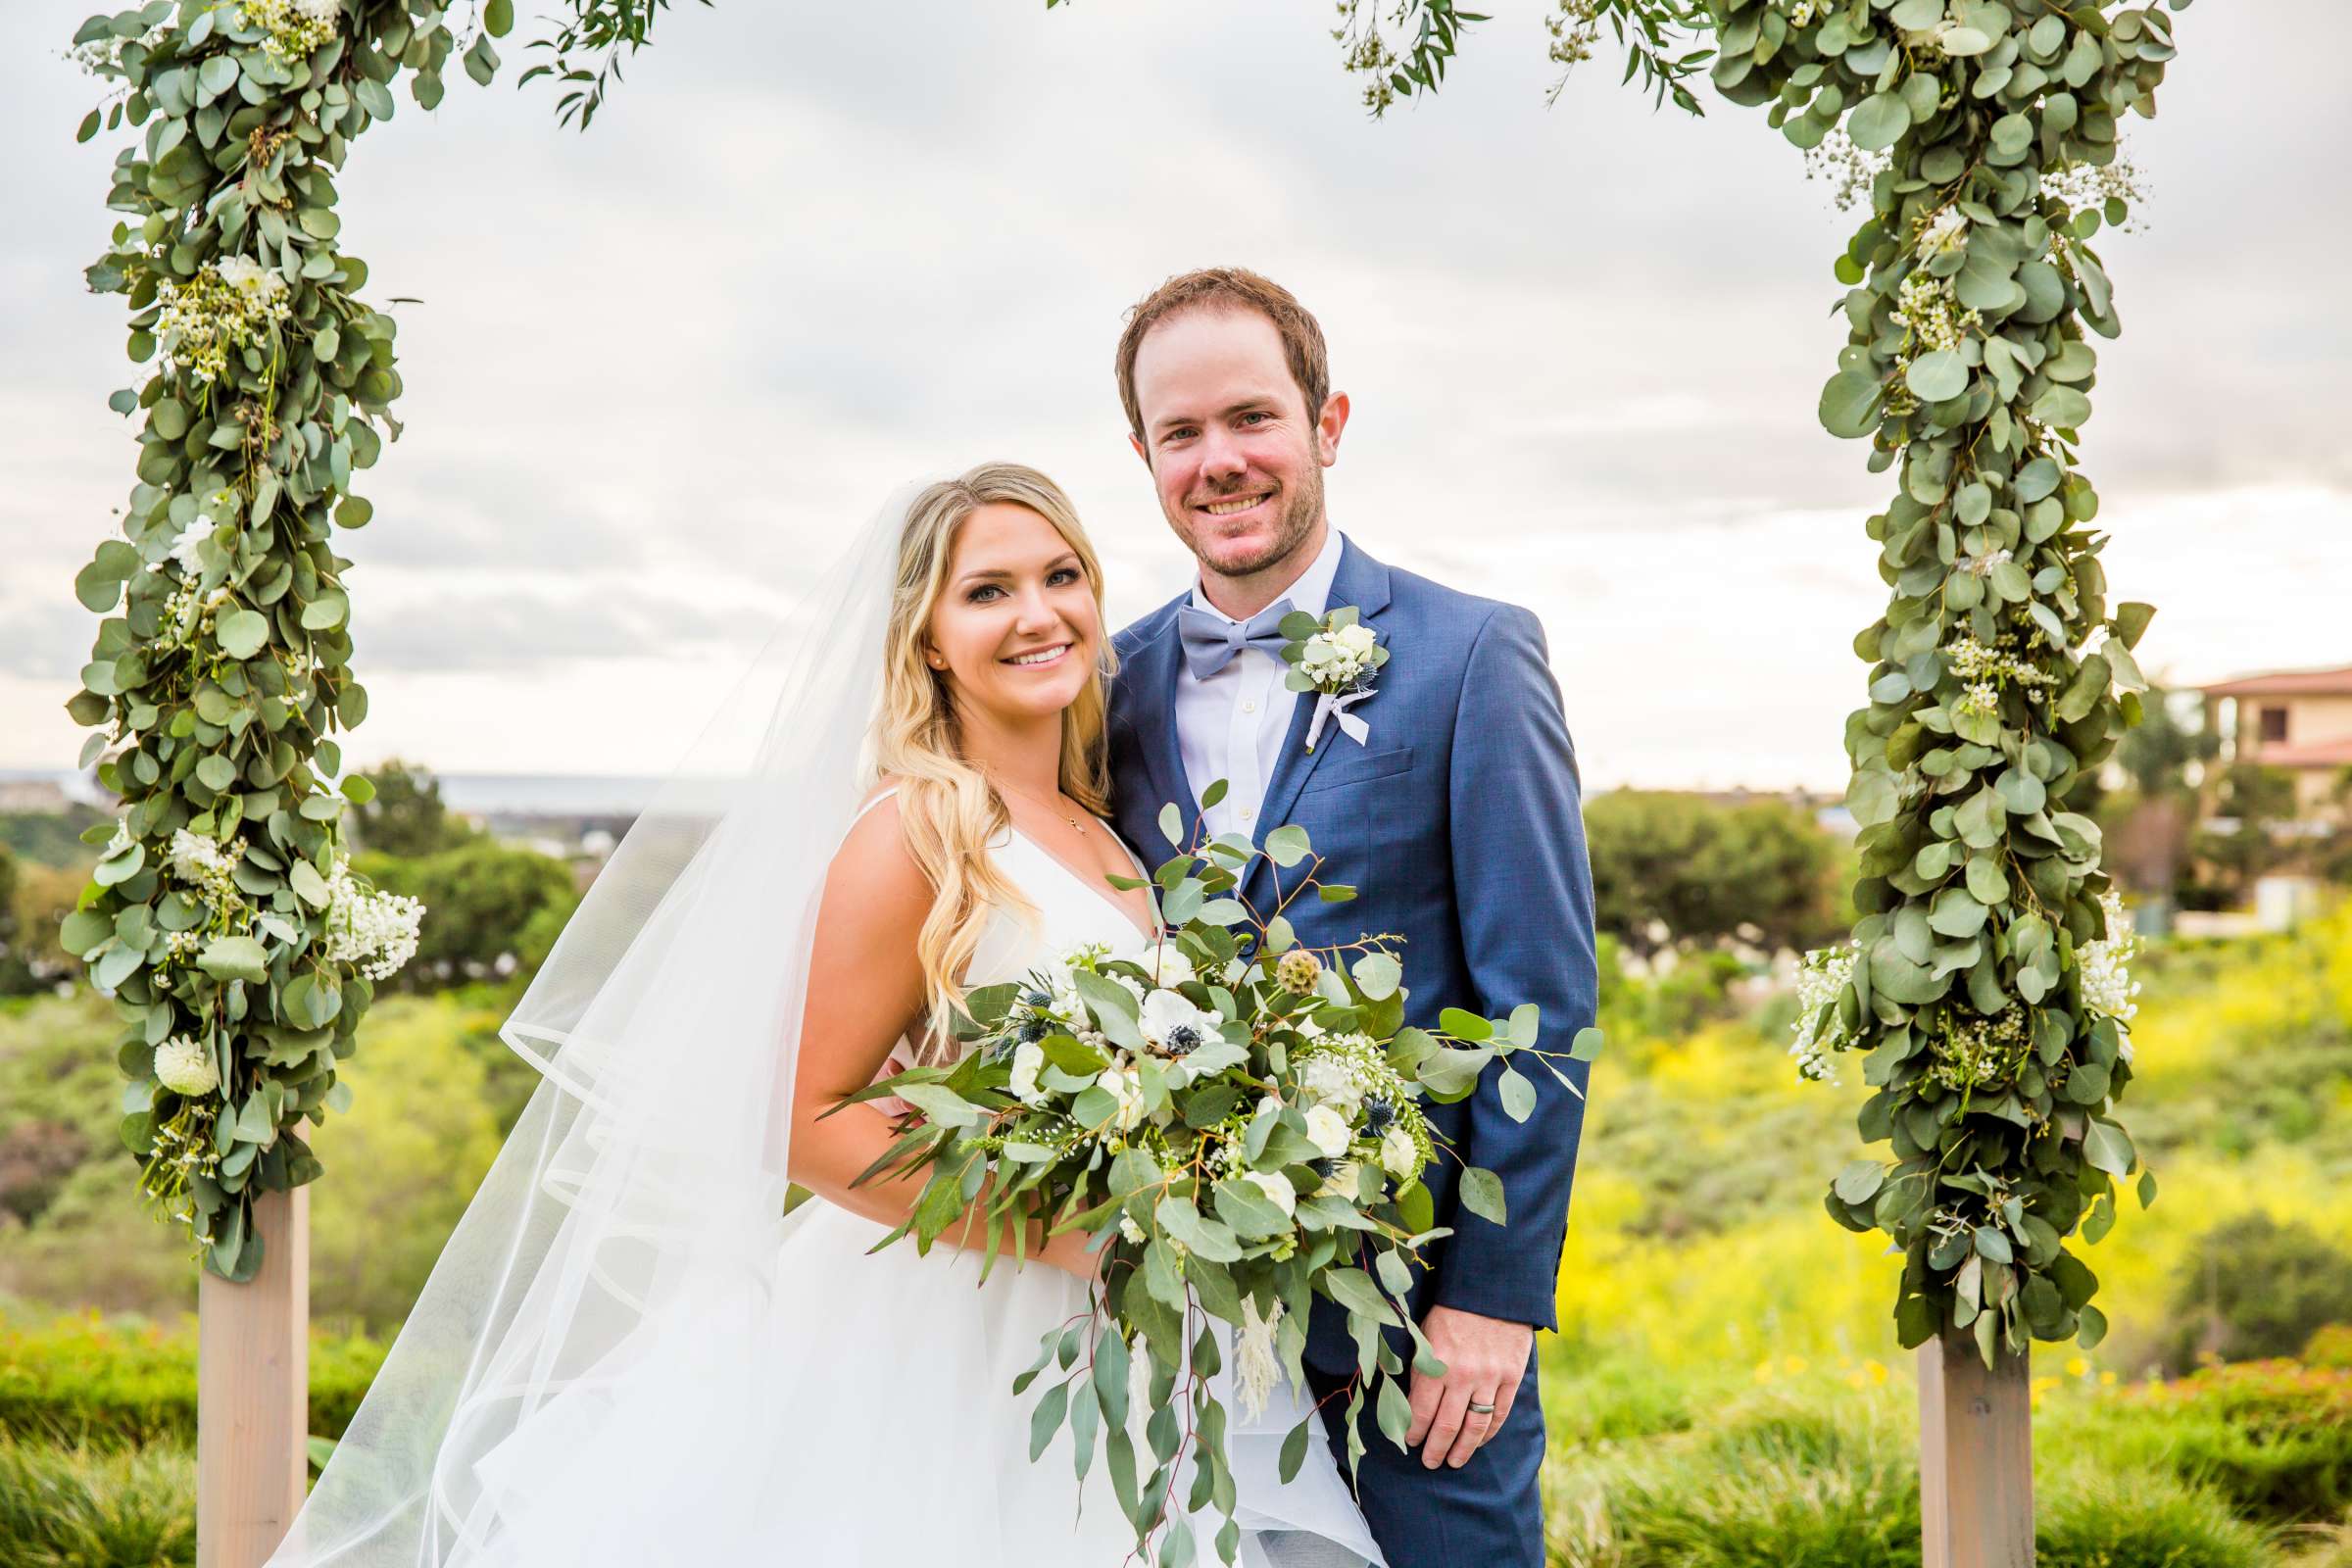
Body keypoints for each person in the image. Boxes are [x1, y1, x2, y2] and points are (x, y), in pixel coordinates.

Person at [268, 465, 1384, 1567]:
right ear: (927, 638)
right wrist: (1062, 1232)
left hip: (1131, 1324)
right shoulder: (914, 830)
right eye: (987, 590)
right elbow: (807, 1117)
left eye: (1061, 576)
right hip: (966, 1323)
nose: (1038, 613)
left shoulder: (1097, 822)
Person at [1105, 268, 1599, 1568]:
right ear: (1148, 457)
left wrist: (1491, 1305)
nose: (1220, 461)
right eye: (1182, 433)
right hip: (1183, 1333)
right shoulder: (1099, 686)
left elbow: (1538, 1008)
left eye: (1251, 419)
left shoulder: (1473, 655)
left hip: (1416, 1332)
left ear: (1326, 424)